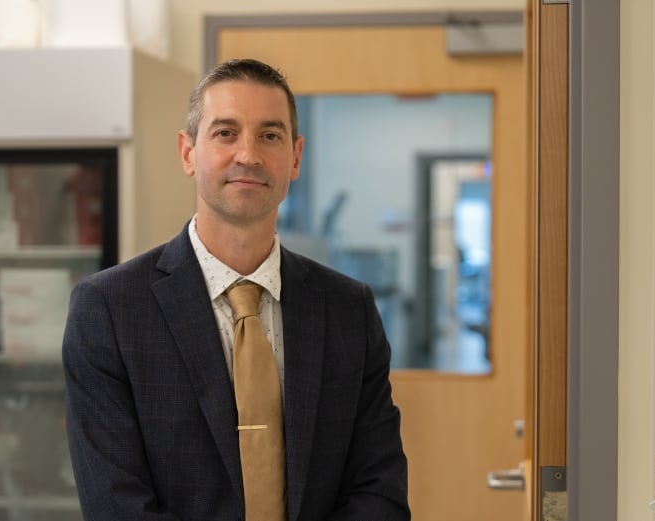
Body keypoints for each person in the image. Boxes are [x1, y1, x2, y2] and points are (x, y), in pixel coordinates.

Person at [62, 58, 410, 521]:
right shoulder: (109, 311)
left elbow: (379, 490)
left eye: (270, 135)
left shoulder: (349, 310)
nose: (248, 154)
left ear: (296, 156)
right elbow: (116, 505)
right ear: (188, 153)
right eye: (225, 133)